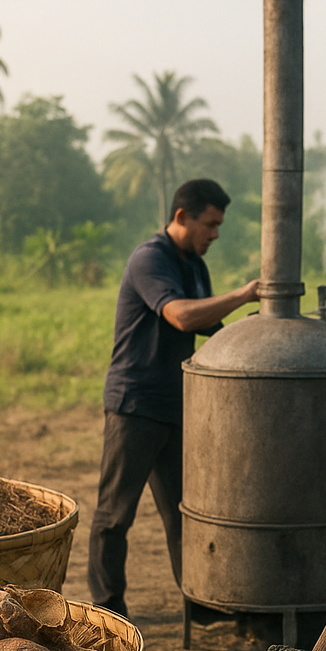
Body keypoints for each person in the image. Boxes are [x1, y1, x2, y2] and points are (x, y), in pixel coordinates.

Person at [88, 178, 259, 618]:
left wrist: (256, 333)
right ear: (182, 217)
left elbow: (210, 329)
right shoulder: (151, 259)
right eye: (211, 224)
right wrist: (242, 295)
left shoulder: (194, 265)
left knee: (185, 513)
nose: (216, 234)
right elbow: (182, 316)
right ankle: (108, 607)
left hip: (177, 406)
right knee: (115, 515)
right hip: (135, 404)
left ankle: (198, 599)